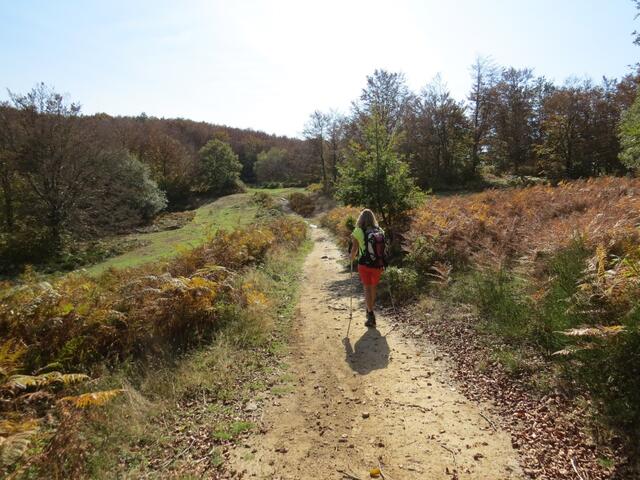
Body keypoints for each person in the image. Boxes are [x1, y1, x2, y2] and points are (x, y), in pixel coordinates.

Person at [349, 209, 385, 328]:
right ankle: (370, 309)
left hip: (364, 264)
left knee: (366, 288)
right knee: (373, 287)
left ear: (361, 218)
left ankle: (370, 313)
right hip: (377, 265)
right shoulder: (380, 230)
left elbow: (354, 248)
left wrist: (351, 258)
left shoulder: (358, 231)